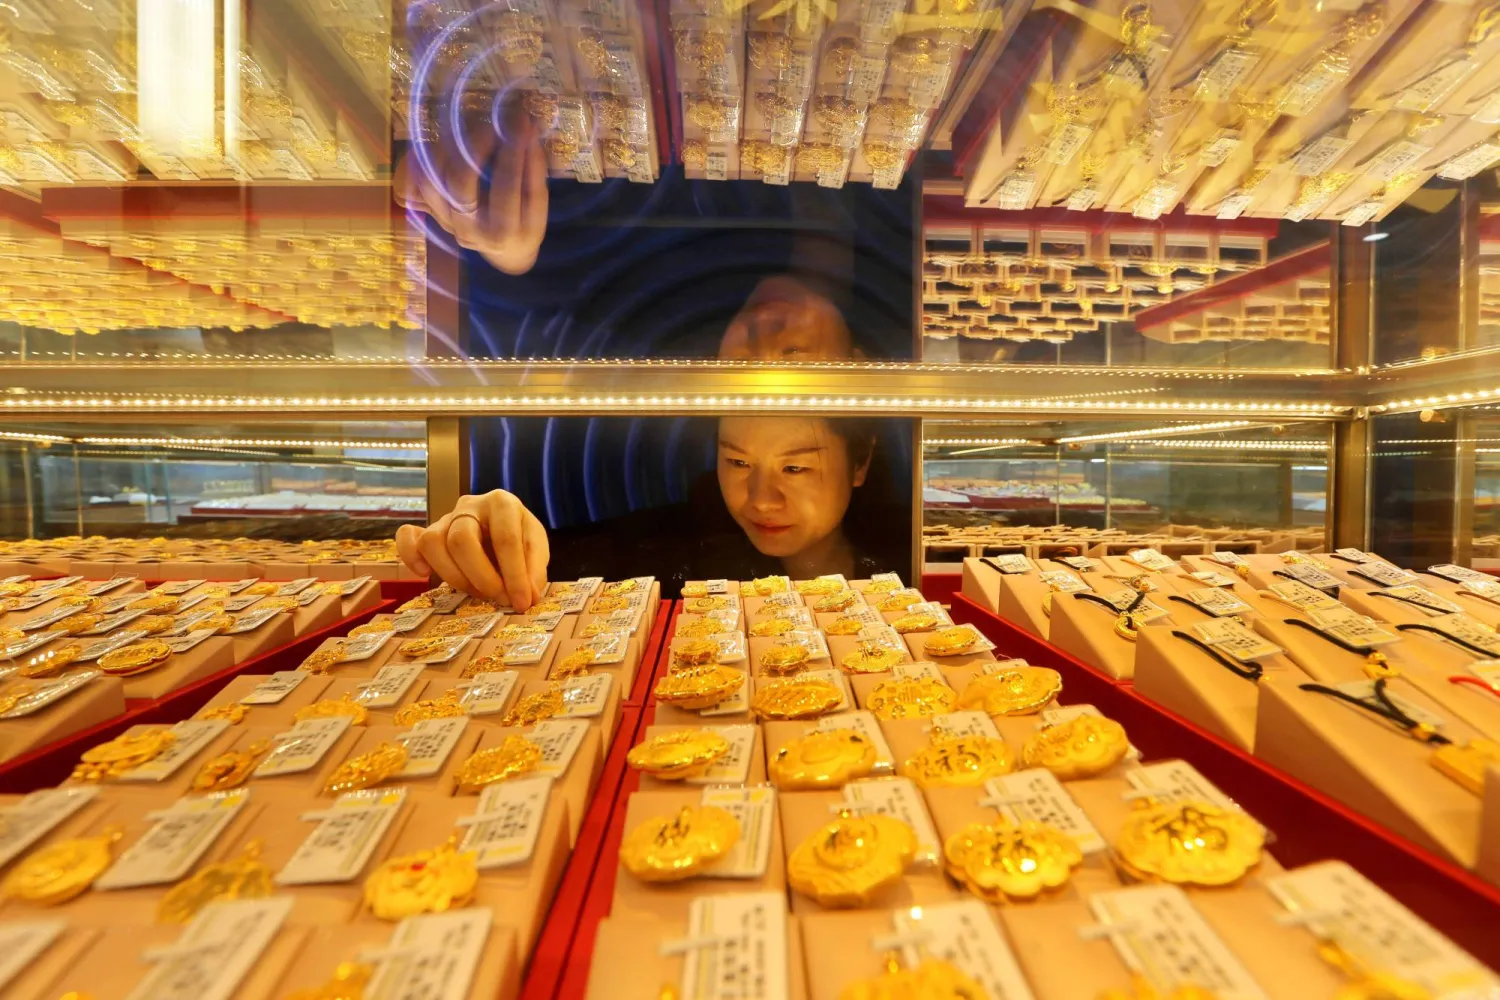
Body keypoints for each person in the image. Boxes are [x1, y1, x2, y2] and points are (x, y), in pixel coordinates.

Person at [393, 89, 908, 602]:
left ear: (860, 462)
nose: (759, 500)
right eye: (736, 463)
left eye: (796, 467)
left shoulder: (915, 567)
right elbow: (561, 558)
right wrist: (495, 536)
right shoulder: (667, 549)